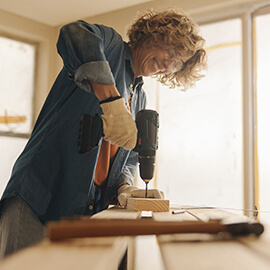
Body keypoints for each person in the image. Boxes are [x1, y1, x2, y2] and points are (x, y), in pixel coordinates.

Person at [0, 8, 207, 258]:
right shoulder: (111, 47)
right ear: (153, 36)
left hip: (80, 212)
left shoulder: (139, 96)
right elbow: (73, 33)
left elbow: (128, 157)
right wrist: (111, 102)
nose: (168, 65)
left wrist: (124, 187)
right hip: (39, 196)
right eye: (170, 53)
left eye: (176, 63)